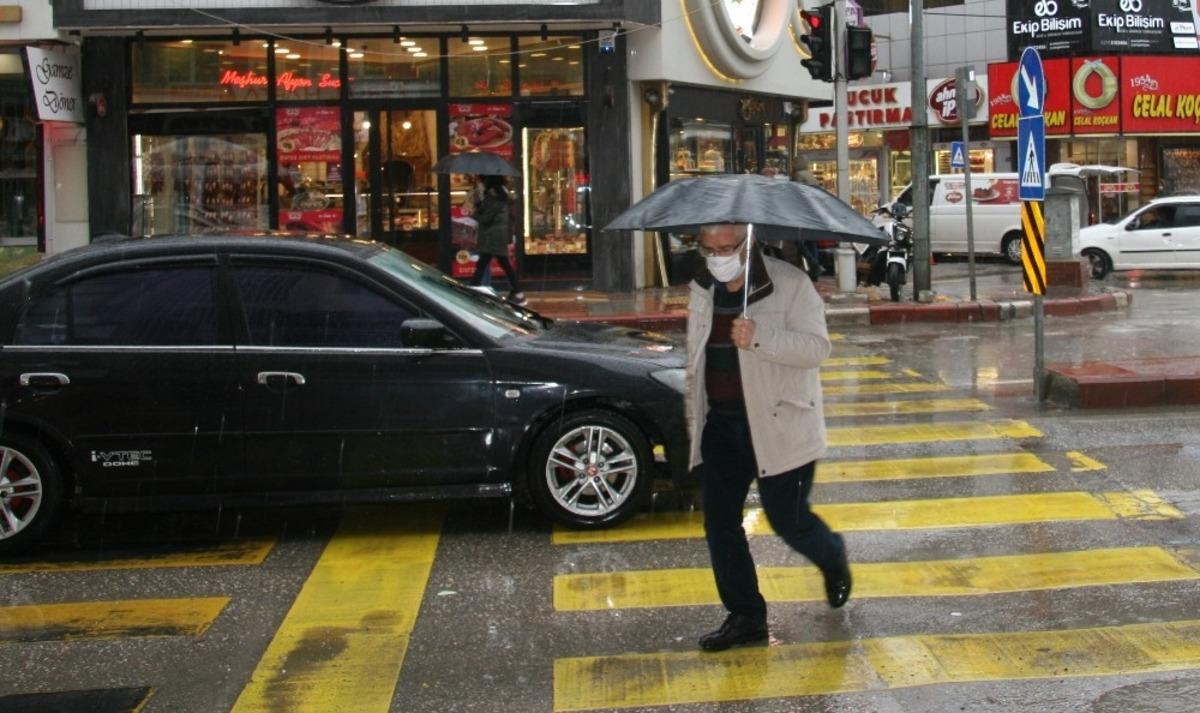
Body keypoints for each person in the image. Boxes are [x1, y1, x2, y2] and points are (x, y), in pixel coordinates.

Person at [686, 223, 851, 652]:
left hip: (780, 425)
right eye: (710, 248)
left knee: (789, 522)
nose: (718, 256)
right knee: (720, 524)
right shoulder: (702, 288)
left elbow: (818, 348)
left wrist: (761, 337)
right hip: (721, 426)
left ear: (749, 240)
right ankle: (745, 616)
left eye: (727, 247)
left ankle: (832, 557)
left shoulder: (791, 284)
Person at [470, 174, 525, 304]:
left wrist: (475, 213)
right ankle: (518, 292)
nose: (482, 183)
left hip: (492, 237)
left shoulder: (492, 197)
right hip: (497, 236)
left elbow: (486, 218)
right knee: (491, 263)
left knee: (491, 264)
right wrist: (479, 204)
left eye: (483, 181)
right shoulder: (501, 195)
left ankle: (519, 292)